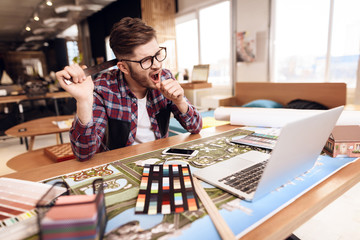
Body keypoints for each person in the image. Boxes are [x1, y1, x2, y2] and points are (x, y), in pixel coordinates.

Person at [56, 17, 202, 161]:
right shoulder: (103, 88)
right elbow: (83, 154)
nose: (157, 65)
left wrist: (180, 101)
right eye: (146, 60)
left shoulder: (165, 77)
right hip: (120, 166)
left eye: (157, 55)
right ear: (123, 67)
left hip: (160, 160)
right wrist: (84, 101)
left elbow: (195, 127)